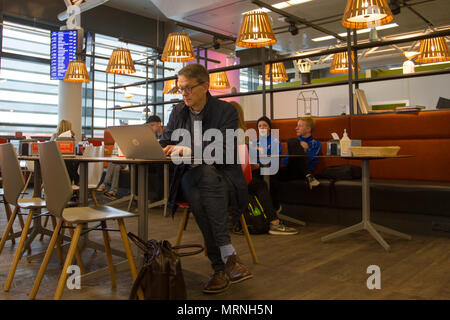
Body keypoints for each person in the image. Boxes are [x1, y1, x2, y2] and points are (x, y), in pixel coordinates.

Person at [159, 63, 252, 294]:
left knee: (205, 182)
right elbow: (164, 141)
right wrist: (165, 148)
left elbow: (226, 150)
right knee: (200, 179)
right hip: (190, 176)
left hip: (224, 176)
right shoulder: (178, 111)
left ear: (205, 87)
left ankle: (219, 267)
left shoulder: (225, 111)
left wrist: (188, 151)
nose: (184, 94)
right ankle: (228, 256)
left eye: (189, 88)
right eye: (181, 89)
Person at [230, 102, 297, 236]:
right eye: (259, 126)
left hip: (232, 176)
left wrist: (251, 164)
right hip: (232, 178)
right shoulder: (242, 136)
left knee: (258, 183)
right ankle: (273, 221)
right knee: (259, 185)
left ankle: (257, 220)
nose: (261, 128)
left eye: (264, 125)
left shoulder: (268, 141)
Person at [51, 119, 79, 185]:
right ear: (68, 128)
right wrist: (72, 137)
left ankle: (76, 180)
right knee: (73, 162)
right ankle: (76, 180)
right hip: (63, 166)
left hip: (53, 166)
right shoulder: (69, 138)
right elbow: (73, 152)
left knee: (69, 163)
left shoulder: (54, 137)